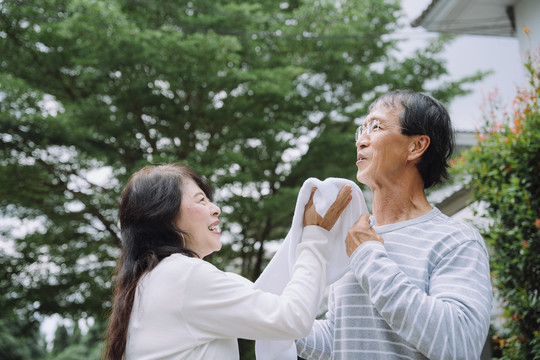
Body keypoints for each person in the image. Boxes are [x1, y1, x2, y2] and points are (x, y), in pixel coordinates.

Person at [296, 90, 493, 360]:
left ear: (416, 146)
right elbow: (340, 338)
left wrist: (368, 257)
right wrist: (266, 316)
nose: (361, 141)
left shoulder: (456, 240)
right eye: (361, 130)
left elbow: (459, 343)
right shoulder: (356, 237)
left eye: (376, 127)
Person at [102, 163, 352, 360]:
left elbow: (271, 303)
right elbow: (291, 319)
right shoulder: (184, 277)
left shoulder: (154, 279)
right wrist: (314, 236)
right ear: (164, 215)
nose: (215, 209)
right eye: (201, 200)